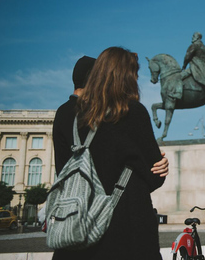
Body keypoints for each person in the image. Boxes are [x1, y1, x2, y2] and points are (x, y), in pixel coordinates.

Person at [52, 47, 166, 259]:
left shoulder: (66, 113)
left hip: (77, 223)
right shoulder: (131, 111)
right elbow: (154, 177)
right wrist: (161, 165)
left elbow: (62, 169)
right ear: (126, 77)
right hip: (126, 226)